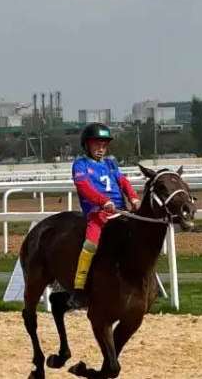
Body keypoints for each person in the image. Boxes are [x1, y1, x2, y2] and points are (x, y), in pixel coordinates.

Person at [71, 123, 140, 307]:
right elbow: (83, 187)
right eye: (96, 144)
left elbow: (123, 181)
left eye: (104, 145)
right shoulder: (80, 165)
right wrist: (103, 202)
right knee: (90, 245)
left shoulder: (111, 163)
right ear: (87, 145)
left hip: (120, 211)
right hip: (97, 214)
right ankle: (78, 288)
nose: (101, 148)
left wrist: (133, 198)